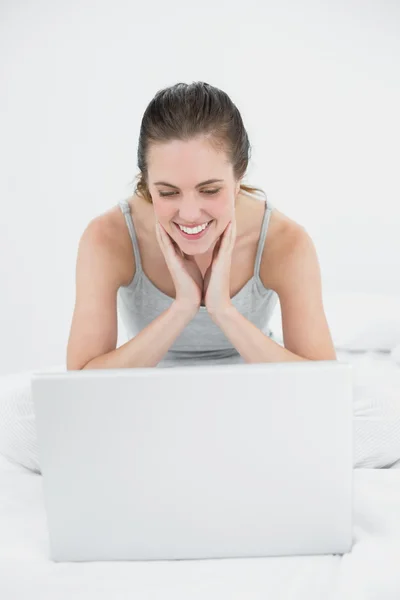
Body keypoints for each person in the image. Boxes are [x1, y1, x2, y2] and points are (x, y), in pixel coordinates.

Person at [66, 81, 336, 370]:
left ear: (238, 176)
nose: (191, 213)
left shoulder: (283, 242)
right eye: (168, 193)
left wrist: (223, 310)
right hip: (146, 395)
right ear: (146, 181)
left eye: (209, 190)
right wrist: (182, 308)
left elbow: (323, 380)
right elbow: (81, 376)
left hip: (257, 391)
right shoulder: (109, 238)